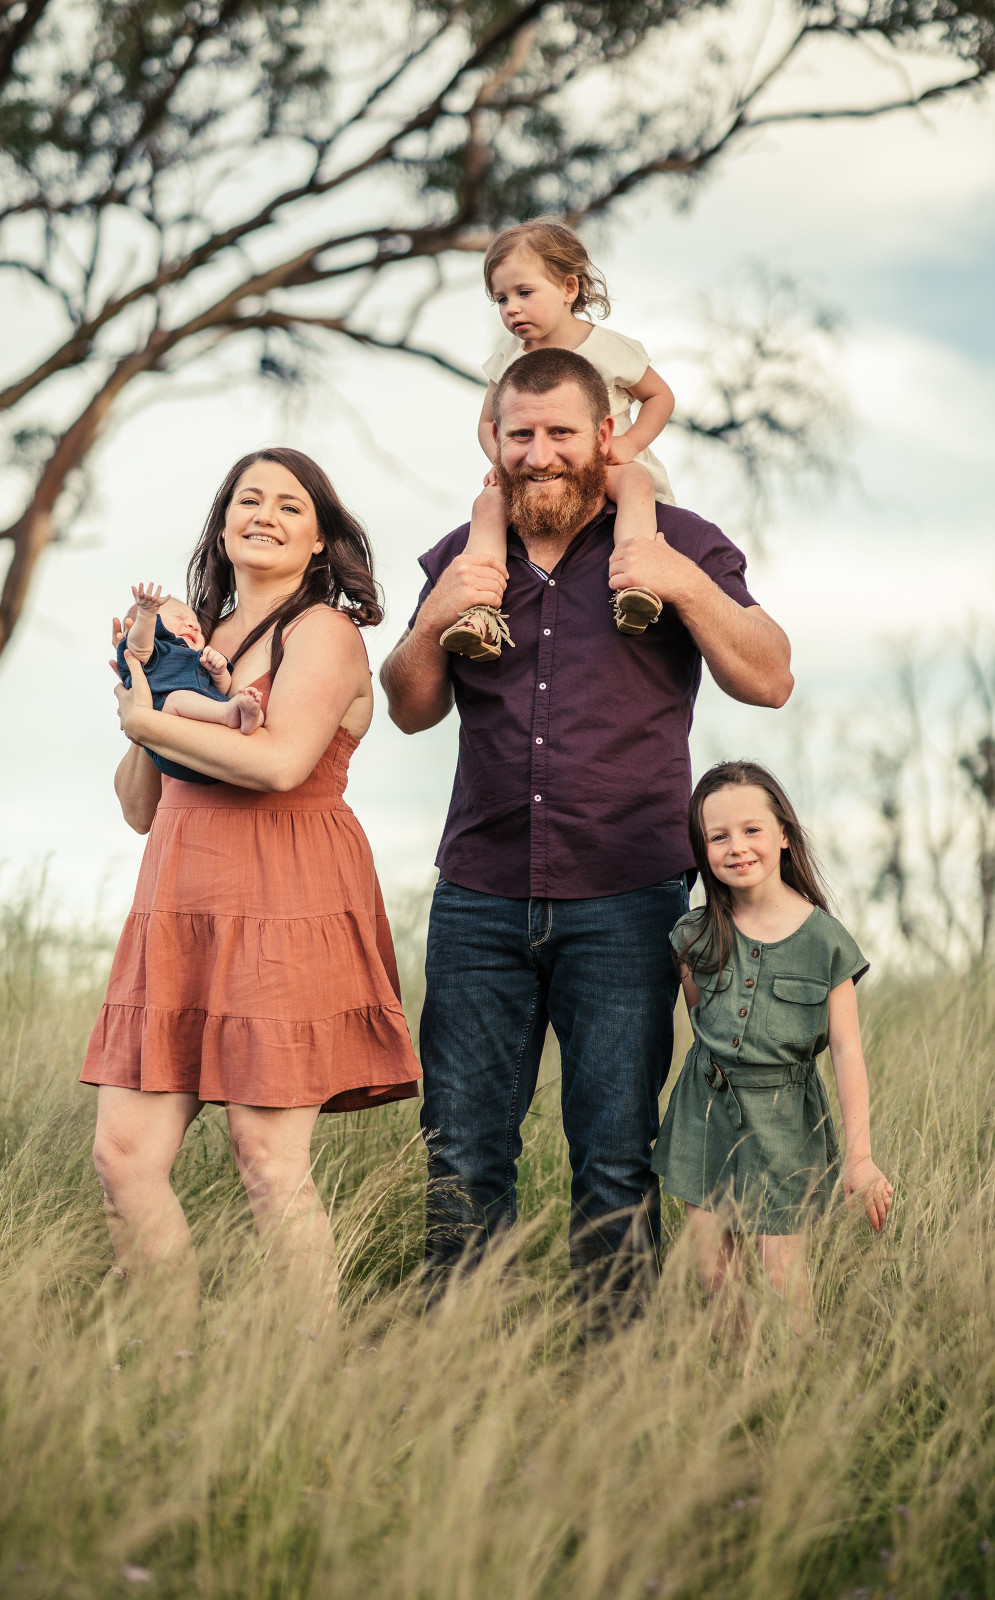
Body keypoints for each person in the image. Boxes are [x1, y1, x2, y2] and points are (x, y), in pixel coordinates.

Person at [380, 345, 794, 1306]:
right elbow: (408, 708)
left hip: (626, 897)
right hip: (478, 895)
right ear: (494, 439)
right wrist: (433, 619)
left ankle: (611, 1371)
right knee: (460, 1148)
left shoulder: (677, 540)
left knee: (613, 1154)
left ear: (605, 435)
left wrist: (680, 582)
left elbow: (770, 677)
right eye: (520, 435)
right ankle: (459, 1357)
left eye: (560, 432)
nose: (540, 454)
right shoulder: (462, 555)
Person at [83, 448, 421, 1326]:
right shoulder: (195, 637)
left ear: (319, 540)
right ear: (223, 523)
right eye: (248, 500)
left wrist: (153, 719)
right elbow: (139, 807)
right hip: (179, 905)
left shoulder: (324, 633)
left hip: (284, 900)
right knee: (124, 1156)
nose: (264, 515)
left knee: (267, 1158)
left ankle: (304, 1371)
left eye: (289, 505)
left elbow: (278, 764)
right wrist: (143, 701)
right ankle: (175, 1363)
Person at [653, 761, 893, 1333]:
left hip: (787, 1124)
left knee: (784, 1279)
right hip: (704, 1114)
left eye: (752, 829)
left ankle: (798, 1375)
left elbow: (847, 1052)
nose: (737, 847)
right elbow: (700, 1021)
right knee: (716, 1276)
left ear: (784, 834)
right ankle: (738, 1379)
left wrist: (859, 1158)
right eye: (718, 836)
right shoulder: (693, 934)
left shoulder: (825, 942)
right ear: (702, 849)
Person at [441, 217, 676, 661]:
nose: (512, 309)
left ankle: (635, 585)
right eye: (501, 299)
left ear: (569, 288)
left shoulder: (607, 348)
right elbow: (488, 425)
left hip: (607, 468)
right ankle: (480, 613)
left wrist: (629, 444)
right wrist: (501, 462)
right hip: (540, 477)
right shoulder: (507, 359)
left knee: (636, 481)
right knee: (487, 504)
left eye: (524, 293)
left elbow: (660, 396)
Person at [114, 582, 265, 787]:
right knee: (176, 699)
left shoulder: (198, 657)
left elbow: (220, 689)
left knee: (241, 702)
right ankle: (230, 714)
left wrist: (219, 672)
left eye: (196, 625)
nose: (193, 625)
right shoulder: (152, 652)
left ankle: (250, 718)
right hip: (171, 745)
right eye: (180, 618)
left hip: (215, 754)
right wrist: (146, 614)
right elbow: (138, 644)